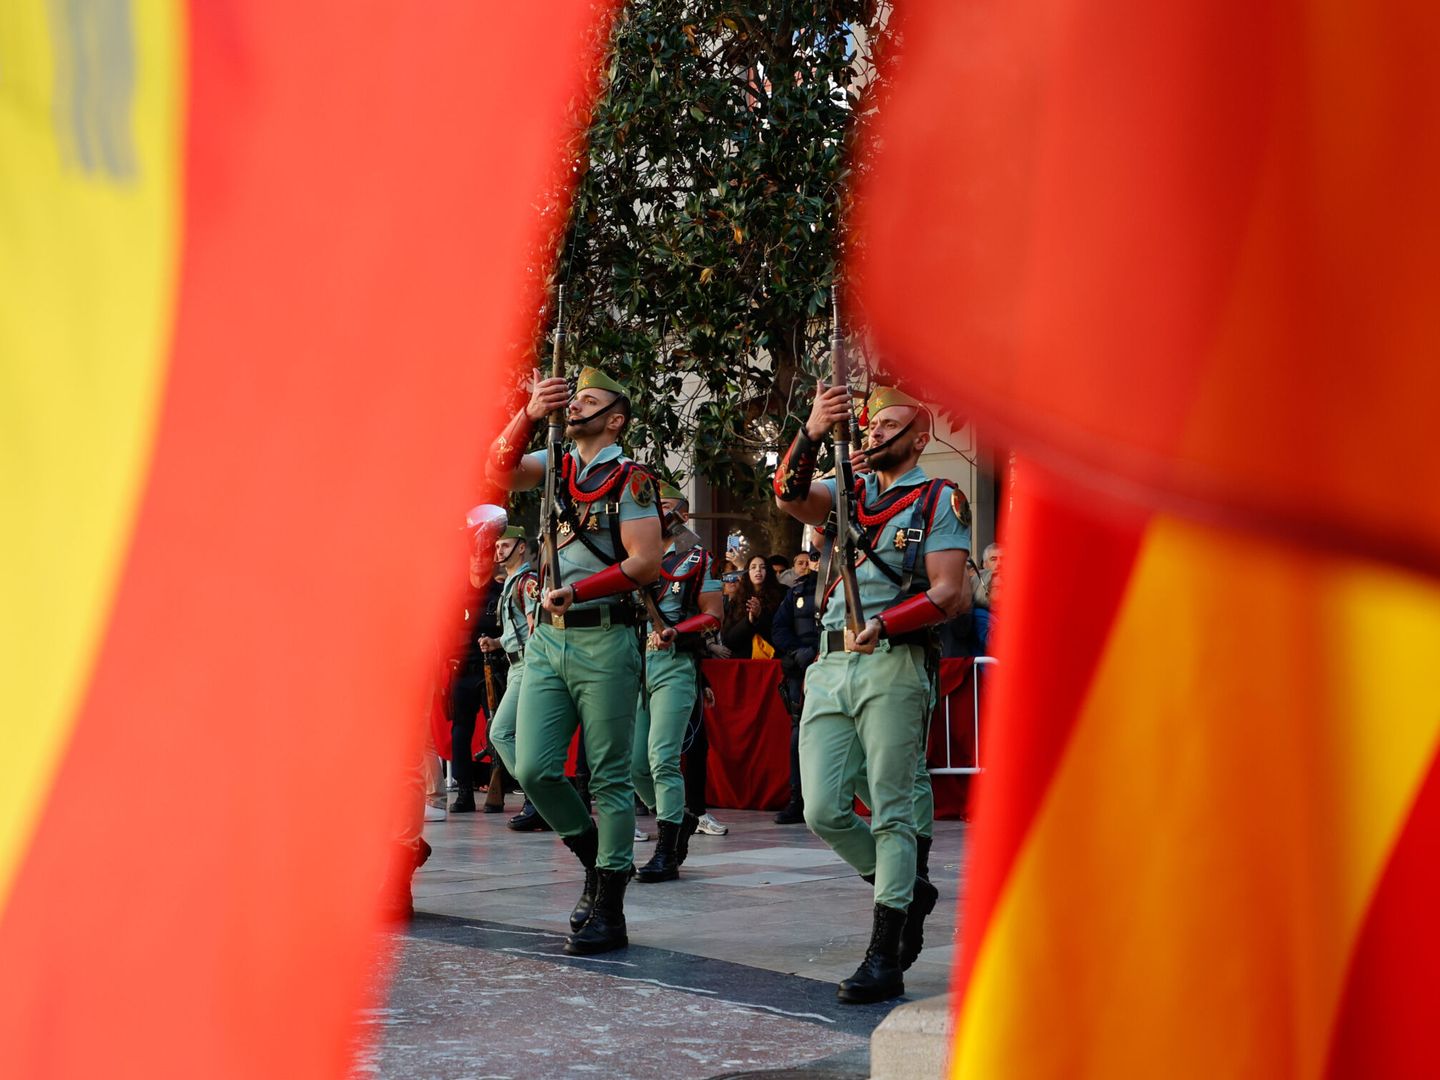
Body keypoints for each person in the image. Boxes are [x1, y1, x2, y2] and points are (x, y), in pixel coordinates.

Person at [774, 383, 970, 1004]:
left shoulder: (942, 498)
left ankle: (885, 954)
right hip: (830, 664)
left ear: (919, 436)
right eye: (871, 423)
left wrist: (885, 623)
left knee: (890, 808)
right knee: (822, 808)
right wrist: (810, 429)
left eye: (892, 424)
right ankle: (907, 888)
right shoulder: (845, 496)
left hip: (892, 660)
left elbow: (947, 591)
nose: (876, 431)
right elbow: (787, 494)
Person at [487, 365, 664, 955]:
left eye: (588, 399)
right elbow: (498, 469)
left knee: (610, 776)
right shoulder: (555, 462)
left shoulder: (633, 479)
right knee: (532, 766)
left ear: (614, 418)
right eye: (573, 397)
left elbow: (645, 564)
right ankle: (594, 857)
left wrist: (580, 590)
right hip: (547, 639)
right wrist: (531, 411)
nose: (575, 403)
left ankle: (610, 903)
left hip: (605, 636)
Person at [631, 482, 727, 882]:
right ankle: (682, 816)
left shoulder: (699, 559)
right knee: (636, 767)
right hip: (633, 666)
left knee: (662, 758)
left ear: (680, 514)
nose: (652, 512)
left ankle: (667, 848)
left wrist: (677, 630)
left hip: (674, 663)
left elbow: (714, 614)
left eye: (662, 505)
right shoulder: (633, 555)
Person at [480, 527, 548, 829]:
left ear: (522, 548)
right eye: (497, 546)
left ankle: (540, 796)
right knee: (515, 735)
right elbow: (516, 630)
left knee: (500, 732)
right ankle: (538, 799)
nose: (498, 552)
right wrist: (496, 643)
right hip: (515, 665)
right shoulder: (510, 583)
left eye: (505, 545)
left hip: (528, 666)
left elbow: (537, 627)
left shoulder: (527, 582)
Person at [448, 531, 506, 813]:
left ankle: (499, 787)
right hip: (463, 669)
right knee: (460, 730)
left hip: (492, 670)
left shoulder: (500, 593)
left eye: (485, 556)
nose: (479, 562)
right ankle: (463, 791)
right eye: (475, 556)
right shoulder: (457, 594)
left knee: (497, 729)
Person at [769, 547, 819, 824]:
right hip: (800, 672)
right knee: (798, 734)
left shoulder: (846, 585)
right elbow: (779, 628)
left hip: (836, 665)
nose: (816, 562)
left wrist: (818, 650)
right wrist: (797, 651)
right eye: (813, 557)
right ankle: (796, 799)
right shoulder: (797, 592)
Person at [721, 554, 786, 658]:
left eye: (763, 567)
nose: (758, 571)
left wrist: (760, 615)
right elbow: (728, 640)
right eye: (753, 567)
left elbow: (782, 634)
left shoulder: (782, 593)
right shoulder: (737, 599)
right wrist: (749, 620)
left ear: (769, 571)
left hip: (774, 658)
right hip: (744, 660)